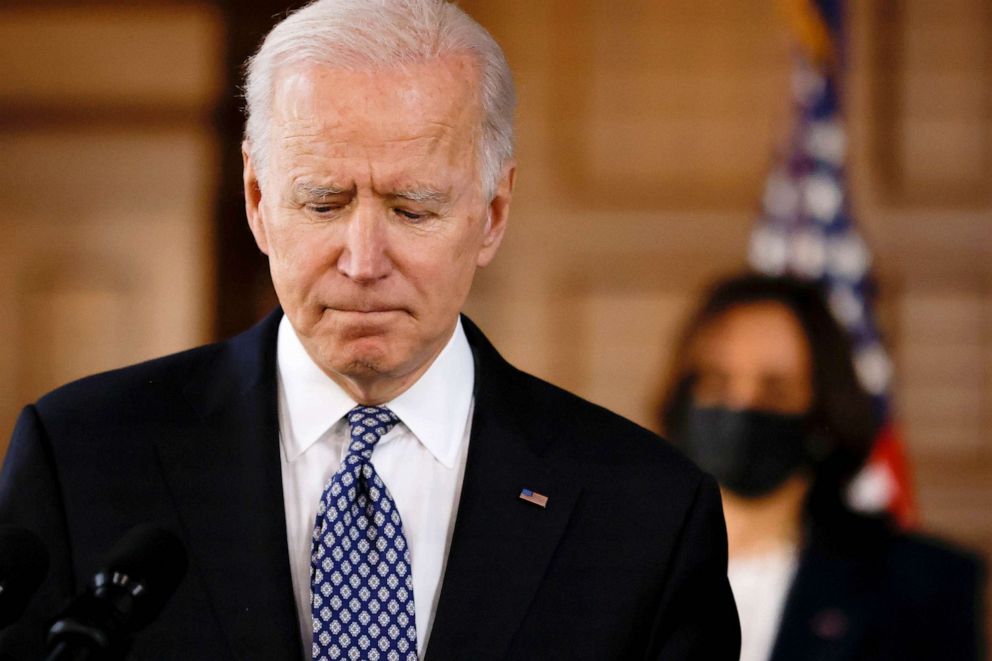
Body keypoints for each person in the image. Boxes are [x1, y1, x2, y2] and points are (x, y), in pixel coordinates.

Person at [0, 1, 740, 658]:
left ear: (493, 213)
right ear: (258, 200)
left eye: (412, 209)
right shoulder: (80, 458)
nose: (362, 261)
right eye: (322, 203)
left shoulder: (646, 513)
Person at [657, 273, 985, 661]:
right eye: (718, 381)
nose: (741, 405)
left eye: (775, 389)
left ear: (822, 413)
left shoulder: (921, 584)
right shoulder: (617, 568)